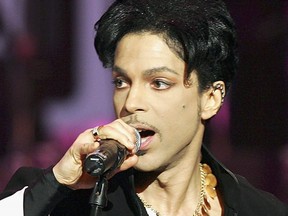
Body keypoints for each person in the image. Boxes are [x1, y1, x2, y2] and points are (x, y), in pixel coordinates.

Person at [0, 0, 287, 215]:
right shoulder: (61, 195)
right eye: (122, 82)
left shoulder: (257, 209)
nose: (131, 102)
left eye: (159, 82)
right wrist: (58, 183)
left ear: (210, 98)